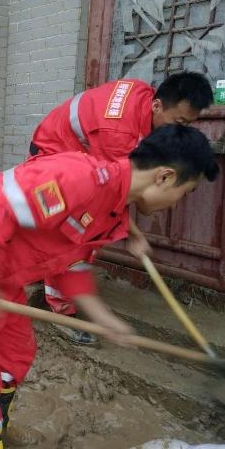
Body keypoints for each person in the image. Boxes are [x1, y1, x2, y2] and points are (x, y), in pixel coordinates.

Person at [0, 125, 219, 449]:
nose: (175, 204)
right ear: (164, 177)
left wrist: (104, 320)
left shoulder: (112, 210)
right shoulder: (80, 179)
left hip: (2, 278)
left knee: (17, 355)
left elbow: (71, 266)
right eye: (185, 192)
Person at [30, 71, 214, 344]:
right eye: (179, 122)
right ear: (157, 105)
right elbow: (112, 194)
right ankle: (60, 313)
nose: (180, 131)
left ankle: (43, 272)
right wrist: (134, 234)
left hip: (77, 154)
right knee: (76, 232)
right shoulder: (118, 133)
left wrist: (131, 231)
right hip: (53, 153)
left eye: (188, 125)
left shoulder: (144, 96)